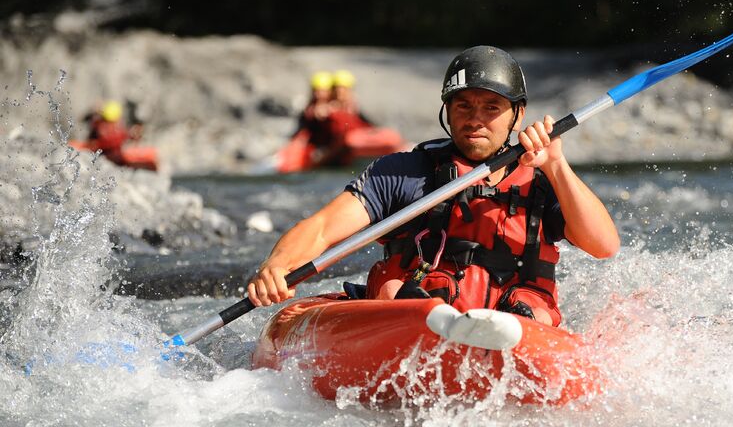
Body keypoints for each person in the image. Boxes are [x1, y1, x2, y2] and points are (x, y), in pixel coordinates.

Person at [249, 46, 619, 327]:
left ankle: (495, 332)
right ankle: (439, 323)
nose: (475, 120)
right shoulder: (403, 171)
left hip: (513, 327)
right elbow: (323, 228)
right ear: (447, 109)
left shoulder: (544, 177)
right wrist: (278, 264)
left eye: (491, 107)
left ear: (517, 114)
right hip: (415, 318)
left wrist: (556, 164)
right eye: (463, 106)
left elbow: (603, 246)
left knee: (532, 311)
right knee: (398, 293)